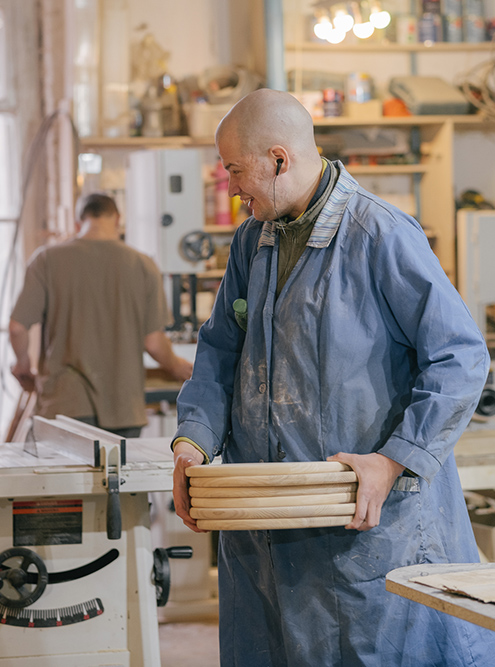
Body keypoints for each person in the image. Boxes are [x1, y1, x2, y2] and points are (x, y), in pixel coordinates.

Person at [172, 89, 494, 666]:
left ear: (278, 159)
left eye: (235, 170)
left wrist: (392, 460)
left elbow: (461, 356)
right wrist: (192, 443)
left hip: (364, 529)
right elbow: (220, 351)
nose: (232, 187)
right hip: (268, 528)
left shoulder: (381, 234)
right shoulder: (253, 241)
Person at [9, 192, 192, 438]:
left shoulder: (46, 260)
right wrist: (178, 366)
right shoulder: (143, 265)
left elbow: (17, 327)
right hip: (122, 408)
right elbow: (154, 343)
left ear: (77, 222)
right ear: (117, 219)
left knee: (64, 477)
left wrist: (22, 365)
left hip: (65, 406)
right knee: (116, 477)